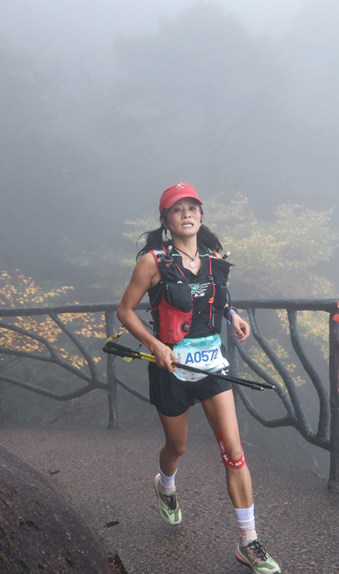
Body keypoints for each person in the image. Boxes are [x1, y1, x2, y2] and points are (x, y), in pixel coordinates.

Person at [117, 183, 282, 574]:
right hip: (171, 368)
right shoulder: (152, 263)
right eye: (178, 210)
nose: (187, 214)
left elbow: (218, 297)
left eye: (193, 208)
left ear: (201, 216)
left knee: (234, 452)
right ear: (165, 221)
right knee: (178, 447)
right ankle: (166, 484)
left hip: (212, 367)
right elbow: (125, 311)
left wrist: (233, 316)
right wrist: (155, 344)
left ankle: (249, 542)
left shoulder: (213, 258)